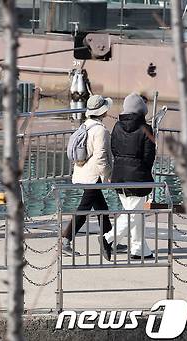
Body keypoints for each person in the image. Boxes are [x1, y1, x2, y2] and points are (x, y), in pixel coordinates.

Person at [99, 93, 155, 261]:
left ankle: (139, 249)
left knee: (134, 213)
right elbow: (149, 156)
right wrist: (143, 170)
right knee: (133, 213)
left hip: (119, 176)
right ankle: (108, 238)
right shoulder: (146, 129)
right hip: (138, 177)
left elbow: (114, 149)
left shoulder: (116, 127)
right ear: (141, 111)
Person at [61, 94, 113, 256]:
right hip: (93, 176)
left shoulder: (85, 125)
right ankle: (65, 240)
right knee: (83, 209)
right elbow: (101, 156)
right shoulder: (100, 131)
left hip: (82, 172)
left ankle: (110, 240)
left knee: (101, 207)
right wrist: (108, 175)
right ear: (102, 112)